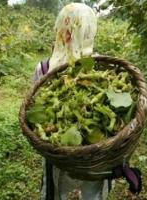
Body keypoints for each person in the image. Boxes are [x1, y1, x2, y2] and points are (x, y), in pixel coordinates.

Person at [33, 3, 111, 200]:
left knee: (59, 192)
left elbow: (34, 110)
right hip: (89, 152)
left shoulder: (43, 69)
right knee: (91, 194)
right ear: (90, 30)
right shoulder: (101, 66)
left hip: (64, 153)